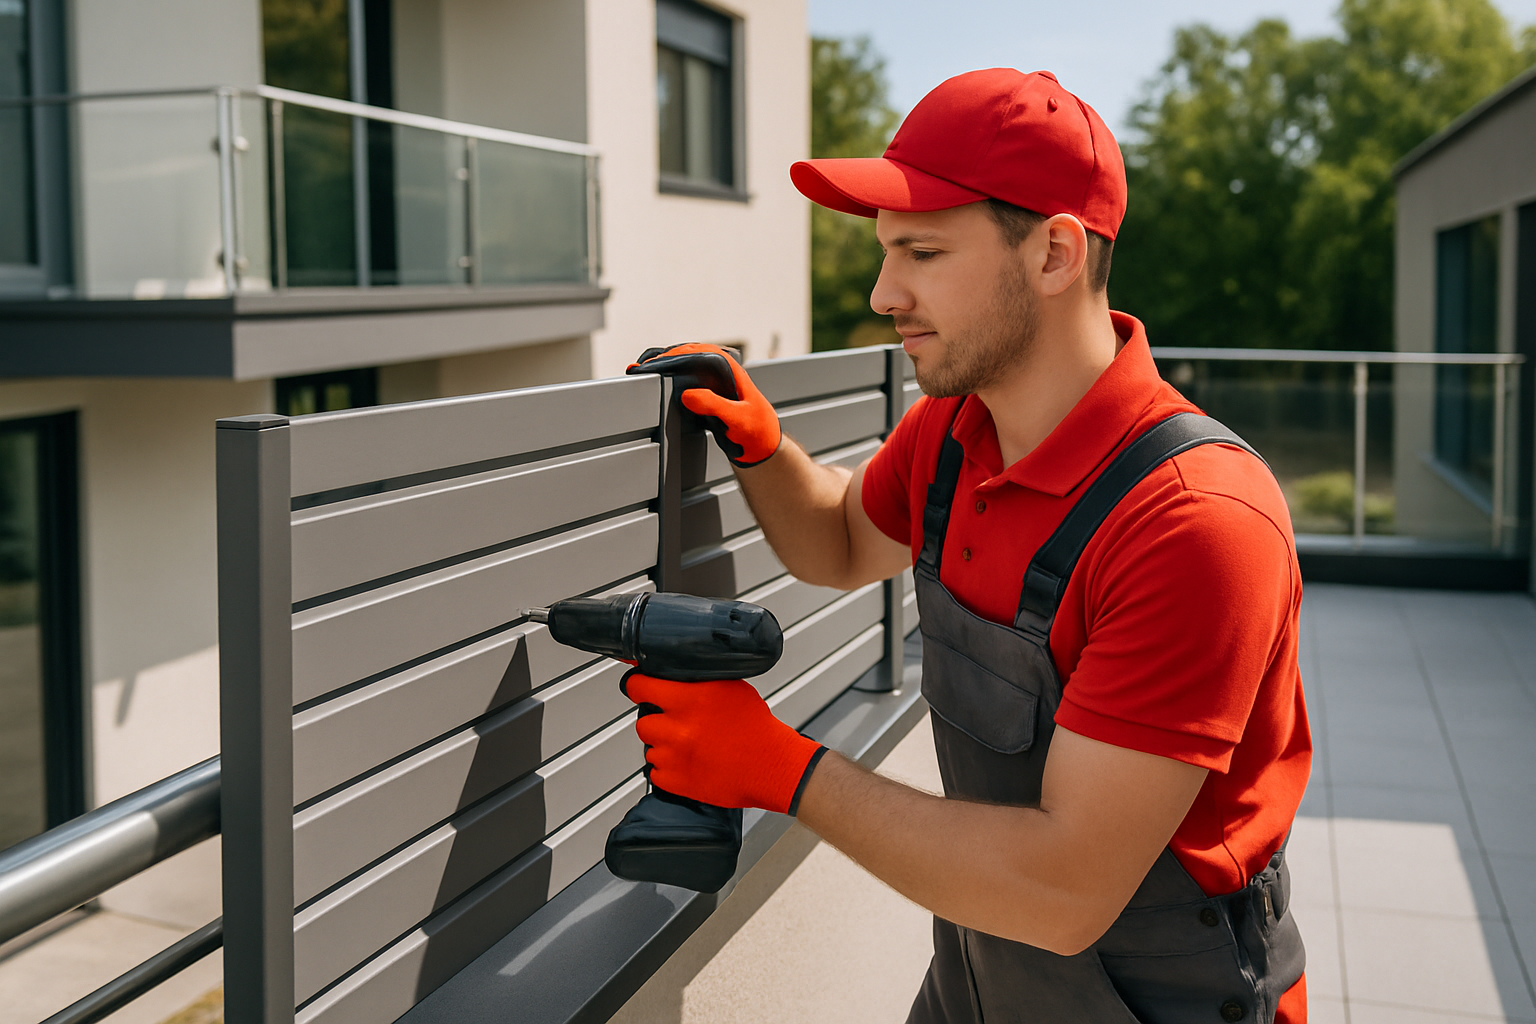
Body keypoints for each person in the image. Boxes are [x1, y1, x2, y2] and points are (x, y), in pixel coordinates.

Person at [626, 67, 1311, 1024]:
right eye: (884, 254)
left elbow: (1066, 892)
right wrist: (762, 445)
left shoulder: (1195, 522)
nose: (881, 292)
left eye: (921, 251)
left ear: (1056, 254)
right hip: (983, 970)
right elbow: (835, 541)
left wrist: (781, 768)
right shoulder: (954, 431)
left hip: (1165, 996)